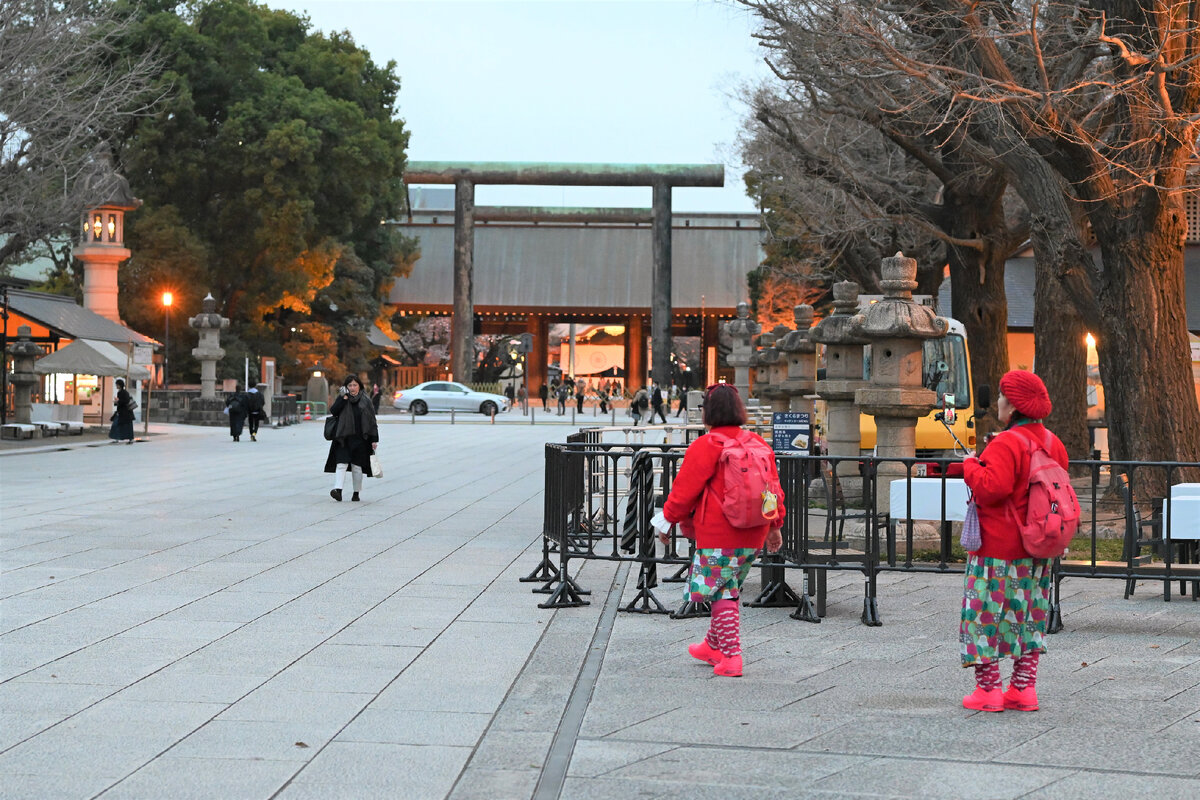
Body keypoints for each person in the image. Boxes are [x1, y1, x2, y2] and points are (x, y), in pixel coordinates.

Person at [657, 383, 785, 677]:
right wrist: (775, 526)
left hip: (718, 533)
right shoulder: (758, 443)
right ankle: (711, 646)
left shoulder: (707, 446)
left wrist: (668, 520)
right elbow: (774, 490)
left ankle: (731, 657)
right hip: (753, 531)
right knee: (726, 586)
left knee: (721, 594)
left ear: (708, 412)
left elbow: (683, 491)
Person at [959, 370, 1066, 713]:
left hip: (997, 549)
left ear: (1014, 405)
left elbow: (993, 488)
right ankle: (1024, 689)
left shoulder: (1006, 442)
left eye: (1004, 397)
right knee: (1029, 616)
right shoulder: (1053, 443)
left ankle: (988, 690)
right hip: (1037, 547)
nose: (1000, 402)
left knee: (983, 617)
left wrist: (970, 466)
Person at [324, 375, 379, 502]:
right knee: (341, 464)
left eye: (355, 385)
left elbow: (372, 421)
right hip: (343, 437)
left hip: (360, 439)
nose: (352, 388)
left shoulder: (366, 400)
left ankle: (356, 493)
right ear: (346, 387)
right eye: (350, 385)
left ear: (359, 386)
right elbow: (334, 411)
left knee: (357, 467)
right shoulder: (343, 398)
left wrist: (374, 439)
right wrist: (343, 398)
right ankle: (338, 490)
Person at [108, 378, 135, 444]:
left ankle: (126, 439)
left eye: (117, 385)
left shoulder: (124, 392)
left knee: (119, 425)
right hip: (123, 412)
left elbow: (126, 401)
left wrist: (118, 401)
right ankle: (120, 438)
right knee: (121, 425)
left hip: (125, 413)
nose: (116, 386)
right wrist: (117, 401)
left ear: (120, 385)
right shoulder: (121, 392)